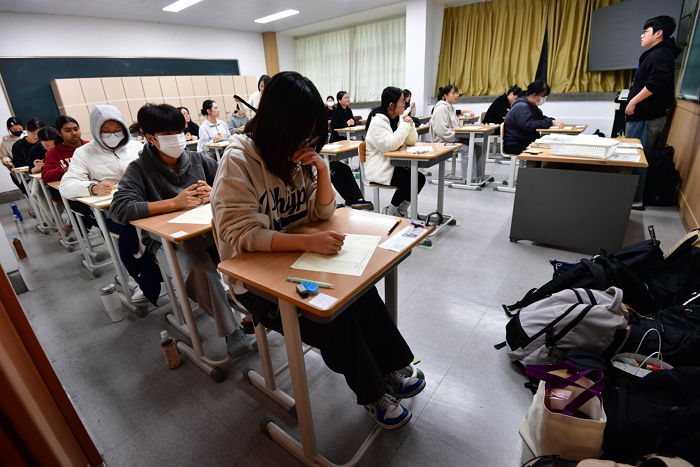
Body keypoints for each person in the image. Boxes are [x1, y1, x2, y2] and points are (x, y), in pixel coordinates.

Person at [211, 71, 425, 430]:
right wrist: (306, 242)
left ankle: (390, 367)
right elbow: (241, 234)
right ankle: (373, 394)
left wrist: (322, 171)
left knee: (361, 293)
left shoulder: (297, 157)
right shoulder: (239, 160)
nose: (307, 142)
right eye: (302, 133)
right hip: (256, 282)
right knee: (332, 315)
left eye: (313, 134)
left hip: (299, 259)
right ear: (279, 125)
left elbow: (324, 213)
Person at [110, 103, 252, 357]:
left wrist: (216, 193)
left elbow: (233, 185)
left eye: (179, 131)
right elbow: (119, 208)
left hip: (210, 234)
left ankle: (251, 307)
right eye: (167, 134)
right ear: (151, 137)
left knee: (248, 250)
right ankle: (231, 330)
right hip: (168, 243)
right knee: (200, 268)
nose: (177, 139)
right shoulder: (139, 169)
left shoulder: (198, 160)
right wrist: (173, 203)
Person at [60, 105, 153, 304]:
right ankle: (145, 281)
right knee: (136, 238)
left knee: (159, 234)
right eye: (106, 132)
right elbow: (66, 185)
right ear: (95, 130)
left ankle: (166, 275)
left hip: (145, 202)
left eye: (116, 130)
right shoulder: (84, 153)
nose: (112, 135)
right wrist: (92, 187)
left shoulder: (136, 146)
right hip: (113, 211)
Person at [625, 15, 681, 211]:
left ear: (658, 33)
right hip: (644, 116)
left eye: (645, 32)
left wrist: (633, 101)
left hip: (646, 116)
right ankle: (633, 196)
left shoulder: (661, 54)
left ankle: (635, 198)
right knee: (636, 155)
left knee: (636, 156)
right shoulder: (657, 53)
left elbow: (656, 82)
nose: (641, 36)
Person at [365, 86, 422, 217]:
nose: (405, 104)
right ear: (391, 105)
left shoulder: (397, 118)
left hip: (392, 164)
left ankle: (400, 210)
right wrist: (405, 126)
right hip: (379, 168)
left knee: (419, 178)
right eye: (402, 101)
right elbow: (390, 145)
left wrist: (410, 124)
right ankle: (390, 211)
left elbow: (411, 141)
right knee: (412, 179)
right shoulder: (378, 121)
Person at [431, 84, 489, 184]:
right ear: (445, 95)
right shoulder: (441, 108)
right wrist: (459, 139)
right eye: (453, 93)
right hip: (442, 141)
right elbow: (442, 131)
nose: (456, 95)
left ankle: (477, 176)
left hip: (451, 139)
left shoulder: (450, 108)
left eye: (457, 93)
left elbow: (454, 127)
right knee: (467, 148)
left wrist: (461, 136)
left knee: (478, 146)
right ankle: (469, 180)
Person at [503, 80, 565, 155]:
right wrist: (551, 122)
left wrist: (552, 121)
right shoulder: (521, 106)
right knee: (551, 149)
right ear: (534, 95)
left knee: (555, 145)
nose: (544, 99)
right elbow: (530, 125)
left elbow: (541, 118)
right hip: (516, 144)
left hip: (525, 140)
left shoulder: (531, 105)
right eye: (543, 97)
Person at [42, 116, 88, 197]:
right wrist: (68, 170)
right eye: (68, 130)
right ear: (59, 133)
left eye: (76, 129)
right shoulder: (53, 153)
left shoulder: (89, 146)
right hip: (73, 193)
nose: (74, 133)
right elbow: (46, 176)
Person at [9, 118, 44, 195]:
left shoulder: (44, 142)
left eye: (38, 133)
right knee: (39, 191)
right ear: (27, 130)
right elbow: (18, 165)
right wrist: (34, 167)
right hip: (30, 177)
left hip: (46, 173)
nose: (36, 136)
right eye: (33, 133)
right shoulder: (18, 145)